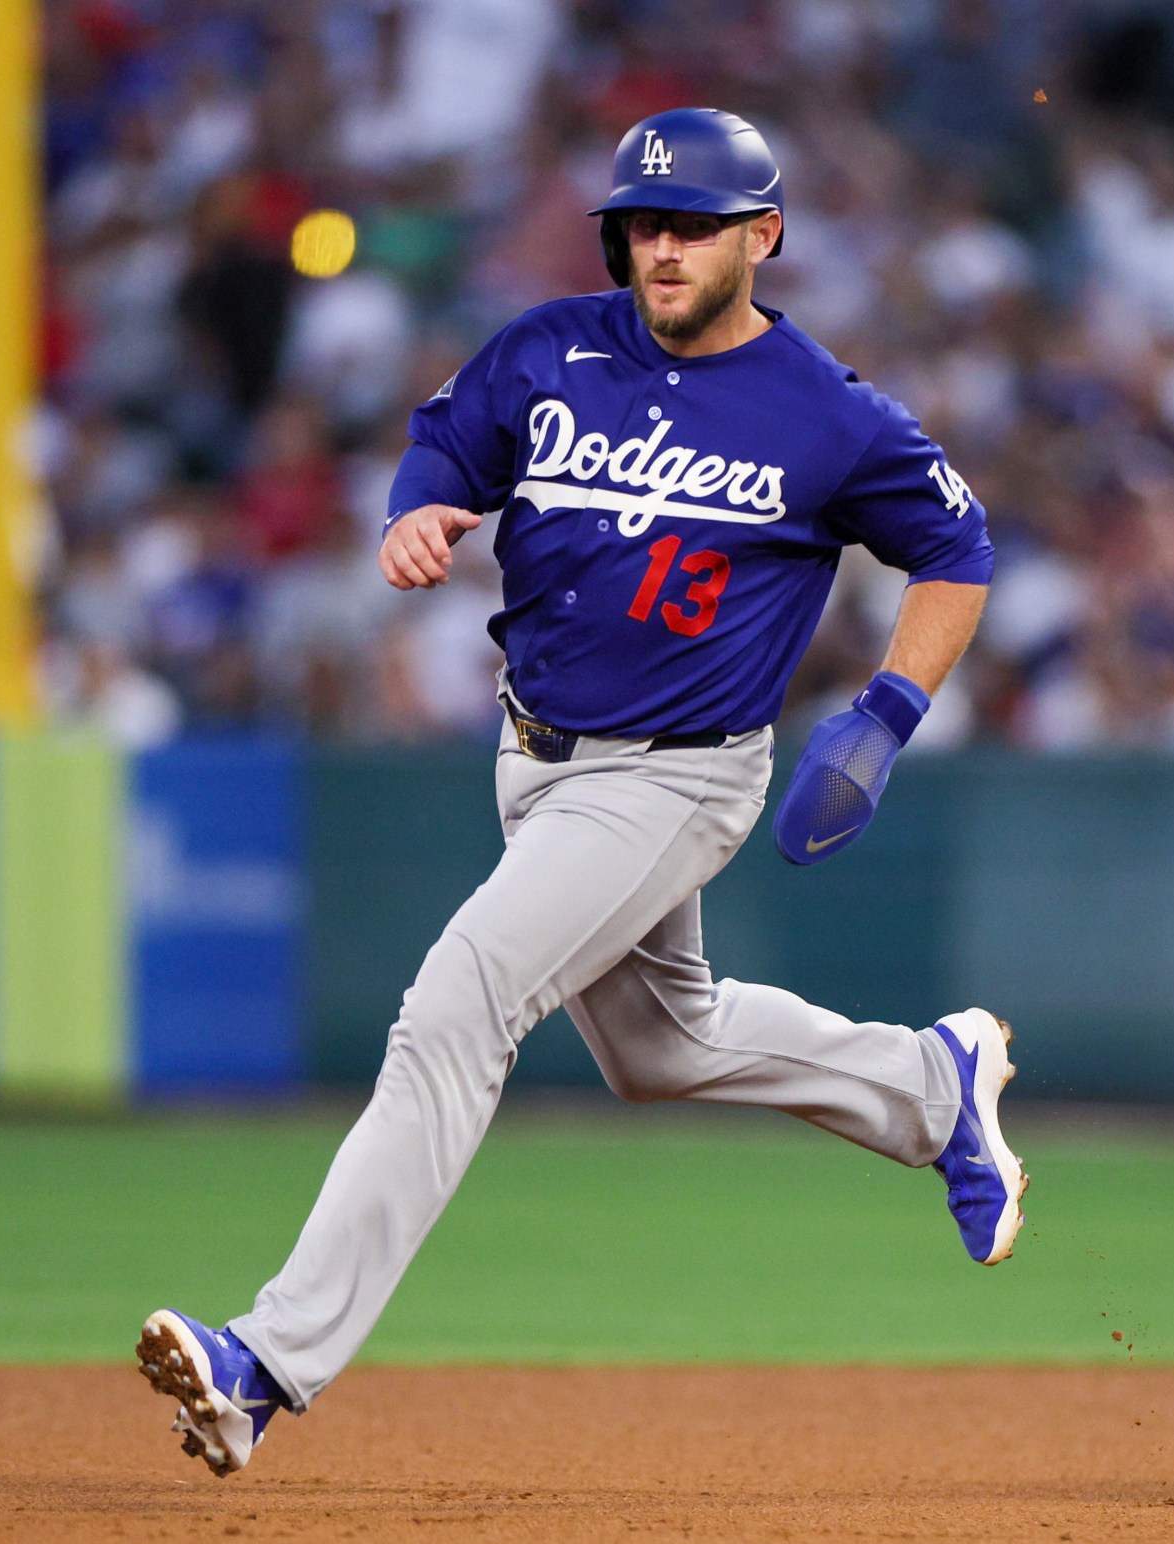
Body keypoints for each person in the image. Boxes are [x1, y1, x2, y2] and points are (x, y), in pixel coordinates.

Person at [134, 108, 1022, 1475]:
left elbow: (955, 549)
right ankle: (929, 1086)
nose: (661, 249)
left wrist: (887, 714)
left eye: (693, 227)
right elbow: (447, 440)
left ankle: (267, 1362)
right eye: (643, 225)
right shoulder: (551, 346)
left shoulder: (829, 416)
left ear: (761, 238)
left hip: (674, 779)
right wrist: (418, 508)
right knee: (660, 1050)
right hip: (535, 755)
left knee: (457, 1006)